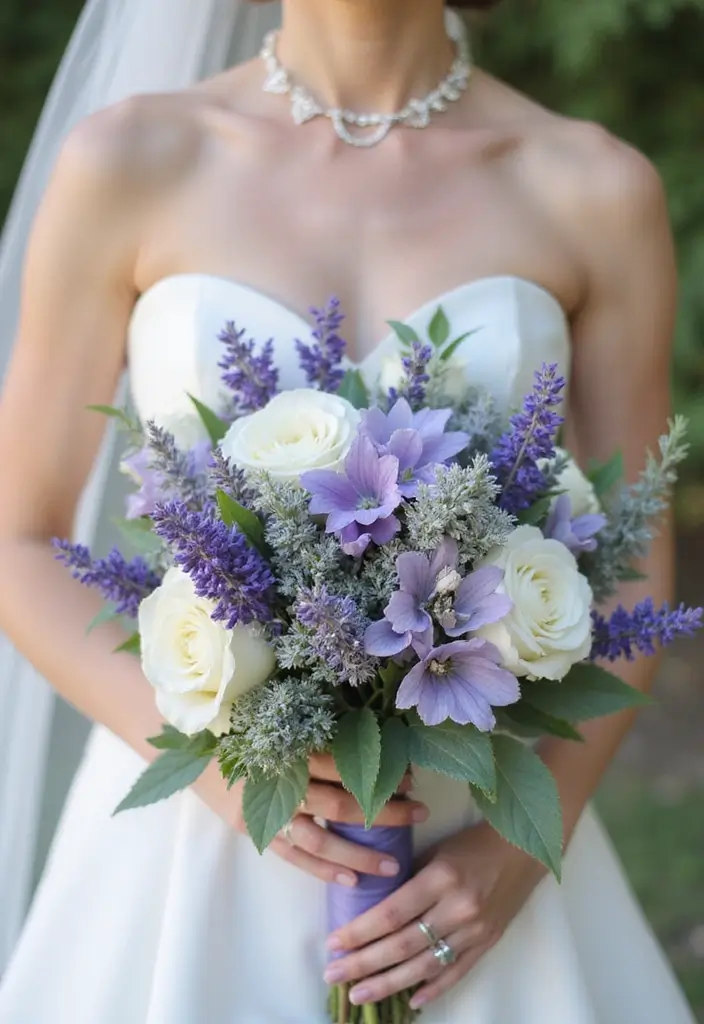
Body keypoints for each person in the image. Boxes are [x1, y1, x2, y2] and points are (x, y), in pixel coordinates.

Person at [0, 1, 695, 1021]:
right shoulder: (130, 159)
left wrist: (507, 856)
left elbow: (636, 568)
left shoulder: (591, 186)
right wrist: (218, 774)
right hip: (195, 843)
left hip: (471, 841)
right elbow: (17, 536)